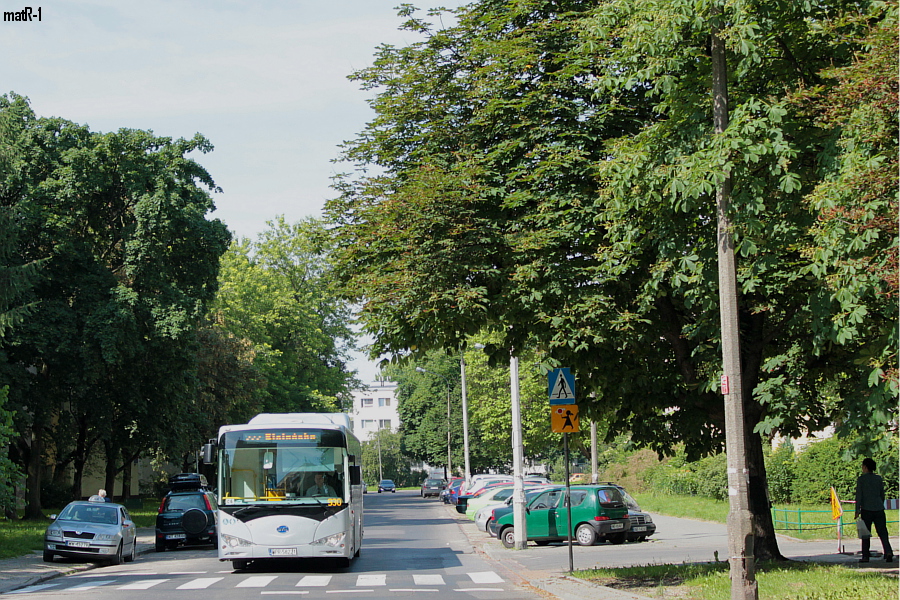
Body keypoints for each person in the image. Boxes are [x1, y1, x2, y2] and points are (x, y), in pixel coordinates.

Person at [855, 457, 893, 563]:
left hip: (866, 509)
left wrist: (857, 510)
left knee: (865, 533)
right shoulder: (878, 478)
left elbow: (859, 496)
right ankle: (888, 552)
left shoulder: (861, 479)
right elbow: (882, 494)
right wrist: (880, 504)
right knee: (883, 532)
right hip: (879, 508)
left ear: (865, 467)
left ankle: (865, 556)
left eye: (863, 466)